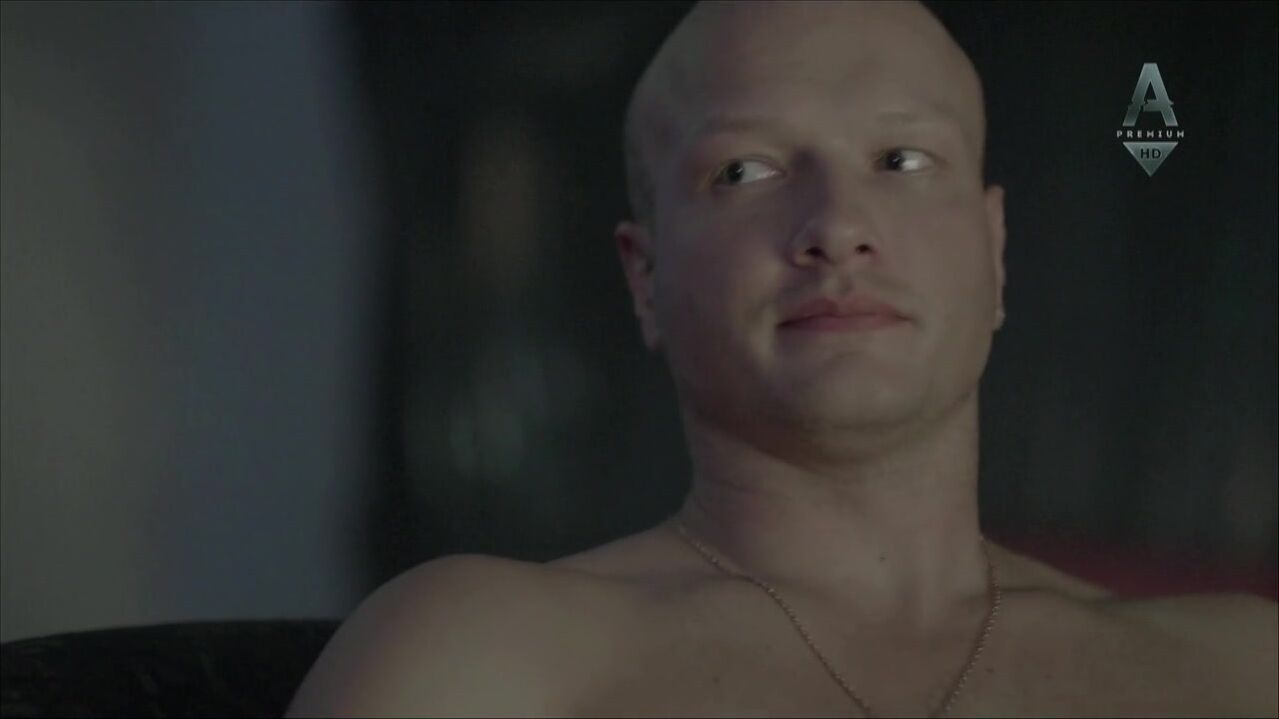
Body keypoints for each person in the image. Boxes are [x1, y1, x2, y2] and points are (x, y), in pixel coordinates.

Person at [287, 2, 1277, 716]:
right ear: (644, 276)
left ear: (994, 248)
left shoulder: (1240, 668)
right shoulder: (478, 656)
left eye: (901, 161)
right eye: (745, 170)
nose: (837, 226)